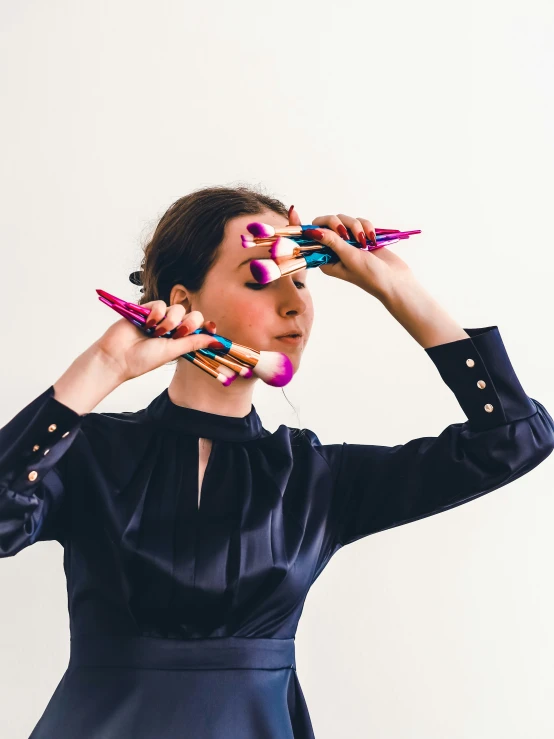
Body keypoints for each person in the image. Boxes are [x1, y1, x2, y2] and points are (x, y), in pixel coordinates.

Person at [1, 185, 553, 739]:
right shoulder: (85, 452)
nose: (295, 303)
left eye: (303, 280)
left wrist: (396, 286)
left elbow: (512, 439)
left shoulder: (316, 480)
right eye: (260, 278)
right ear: (183, 300)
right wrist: (101, 366)